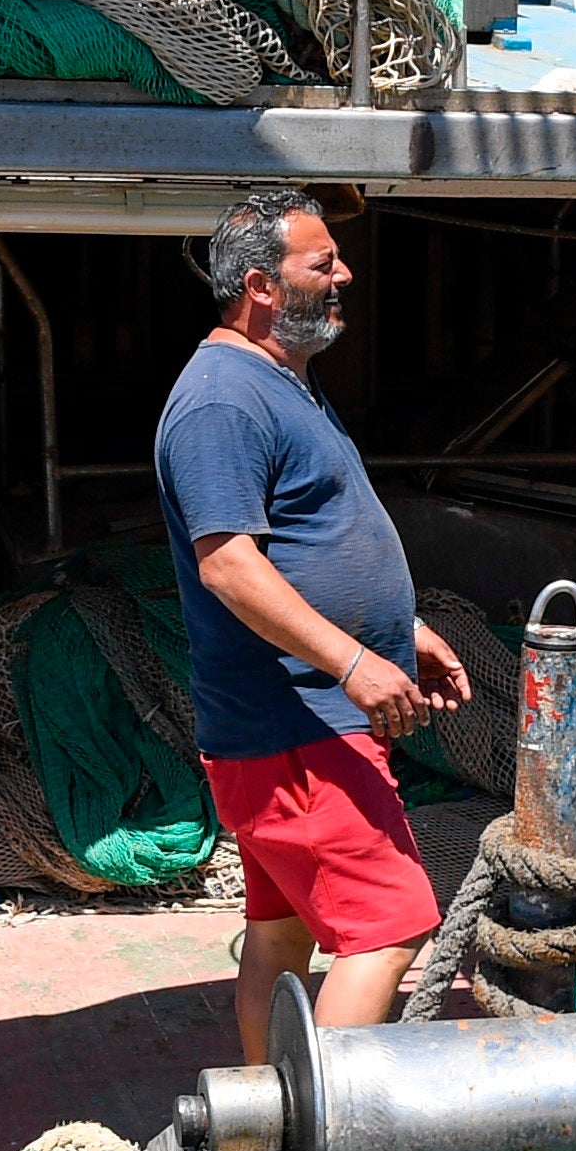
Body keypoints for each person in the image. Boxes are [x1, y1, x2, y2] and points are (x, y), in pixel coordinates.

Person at [155, 187, 469, 1060]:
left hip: (289, 726)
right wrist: (352, 665)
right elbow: (230, 565)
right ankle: (322, 1135)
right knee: (390, 927)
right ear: (260, 284)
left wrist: (398, 635)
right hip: (296, 727)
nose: (345, 274)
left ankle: (266, 1120)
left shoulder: (279, 380)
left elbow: (306, 541)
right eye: (321, 263)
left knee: (283, 934)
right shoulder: (222, 400)